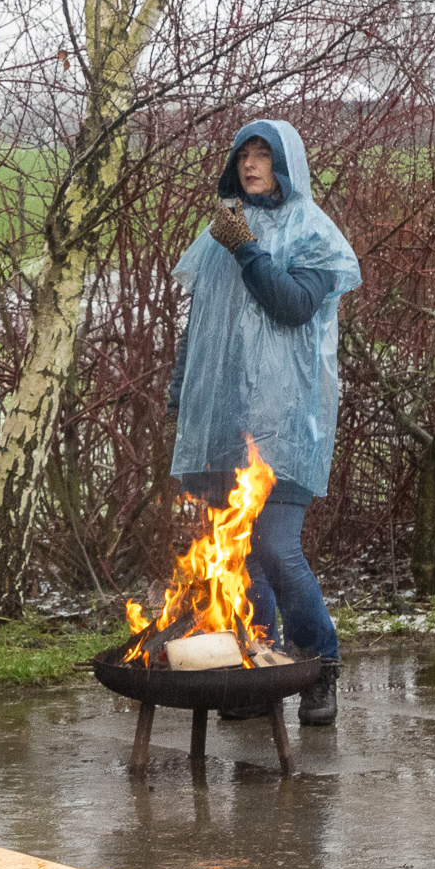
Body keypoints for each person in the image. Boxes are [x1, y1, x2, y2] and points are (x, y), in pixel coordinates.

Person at [168, 119, 360, 724]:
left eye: (263, 154)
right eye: (243, 154)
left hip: (288, 422)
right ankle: (260, 669)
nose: (251, 164)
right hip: (224, 420)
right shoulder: (220, 232)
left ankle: (320, 666)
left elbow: (293, 306)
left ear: (287, 164)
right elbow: (200, 327)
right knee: (241, 555)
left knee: (276, 549)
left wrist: (248, 249)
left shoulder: (314, 234)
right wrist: (181, 396)